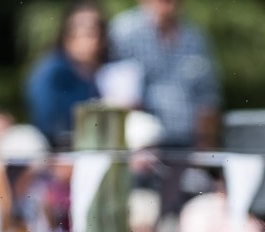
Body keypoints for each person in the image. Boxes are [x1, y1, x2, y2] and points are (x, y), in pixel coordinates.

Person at [108, 0, 221, 150]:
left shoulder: (195, 39)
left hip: (188, 148)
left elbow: (208, 99)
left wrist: (205, 151)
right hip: (139, 150)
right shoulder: (123, 33)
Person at [26, 1, 108, 149]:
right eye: (86, 32)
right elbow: (48, 123)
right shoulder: (51, 72)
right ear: (67, 35)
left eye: (97, 31)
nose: (94, 38)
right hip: (56, 151)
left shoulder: (101, 72)